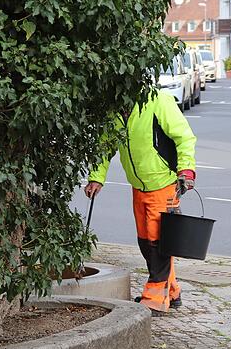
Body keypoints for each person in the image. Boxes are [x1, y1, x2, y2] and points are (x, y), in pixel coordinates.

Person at [84, 88, 196, 313]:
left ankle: (155, 298)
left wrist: (187, 170)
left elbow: (184, 136)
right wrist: (97, 177)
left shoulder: (158, 101)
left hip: (164, 184)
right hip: (139, 186)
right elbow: (106, 144)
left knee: (158, 243)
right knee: (147, 242)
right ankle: (171, 291)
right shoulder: (115, 110)